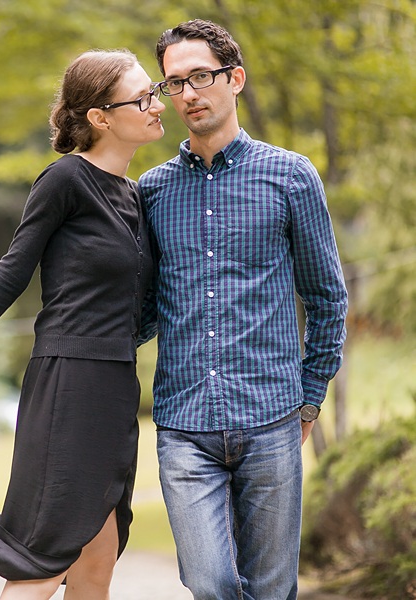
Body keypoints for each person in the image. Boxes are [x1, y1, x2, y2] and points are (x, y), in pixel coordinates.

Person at [0, 49, 165, 600]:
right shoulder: (66, 180)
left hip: (116, 387)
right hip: (68, 384)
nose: (157, 104)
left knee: (96, 566)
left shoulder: (137, 196)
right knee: (41, 566)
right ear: (101, 117)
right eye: (143, 97)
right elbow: (11, 272)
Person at [137, 19, 349, 600]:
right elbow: (145, 308)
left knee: (273, 588)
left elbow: (326, 296)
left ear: (236, 79)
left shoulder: (291, 176)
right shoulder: (150, 191)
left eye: (200, 77)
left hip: (271, 417)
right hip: (183, 423)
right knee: (208, 583)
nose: (187, 94)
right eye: (173, 83)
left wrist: (310, 396)